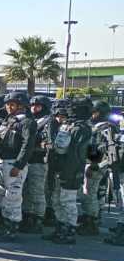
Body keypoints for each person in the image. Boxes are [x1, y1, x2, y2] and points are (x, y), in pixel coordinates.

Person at [0, 91, 37, 241]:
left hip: (14, 164)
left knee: (13, 197)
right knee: (2, 195)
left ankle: (12, 229)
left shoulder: (27, 122)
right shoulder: (9, 121)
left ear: (21, 106)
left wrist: (19, 164)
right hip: (2, 162)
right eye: (7, 104)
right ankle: (4, 225)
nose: (9, 107)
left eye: (12, 104)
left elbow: (27, 145)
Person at [45, 98, 92, 245]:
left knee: (68, 201)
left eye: (73, 107)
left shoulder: (83, 129)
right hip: (61, 167)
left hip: (72, 170)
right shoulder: (69, 126)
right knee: (57, 200)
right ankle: (60, 228)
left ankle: (70, 231)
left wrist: (71, 170)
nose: (69, 110)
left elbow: (78, 154)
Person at [78, 101, 116, 236]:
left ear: (99, 112)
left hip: (96, 165)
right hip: (92, 163)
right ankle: (91, 218)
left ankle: (91, 222)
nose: (92, 114)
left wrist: (94, 166)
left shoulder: (106, 128)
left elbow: (107, 150)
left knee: (89, 194)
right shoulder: (96, 126)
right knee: (91, 194)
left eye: (94, 112)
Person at [21, 96, 55, 234]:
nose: (34, 108)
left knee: (37, 191)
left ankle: (38, 218)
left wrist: (37, 145)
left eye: (38, 106)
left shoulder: (48, 121)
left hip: (39, 160)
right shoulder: (30, 120)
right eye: (32, 105)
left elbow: (49, 143)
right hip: (28, 159)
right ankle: (28, 215)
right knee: (28, 190)